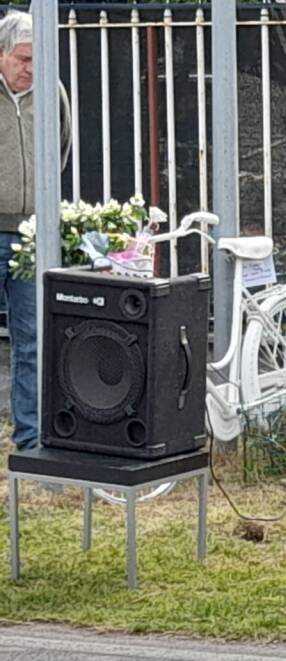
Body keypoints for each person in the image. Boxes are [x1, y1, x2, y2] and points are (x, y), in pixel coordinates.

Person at [0, 9, 71, 450]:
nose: (31, 69)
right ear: (2, 55)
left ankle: (29, 438)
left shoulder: (51, 91)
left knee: (32, 342)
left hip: (30, 234)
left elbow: (60, 147)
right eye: (23, 59)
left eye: (37, 60)